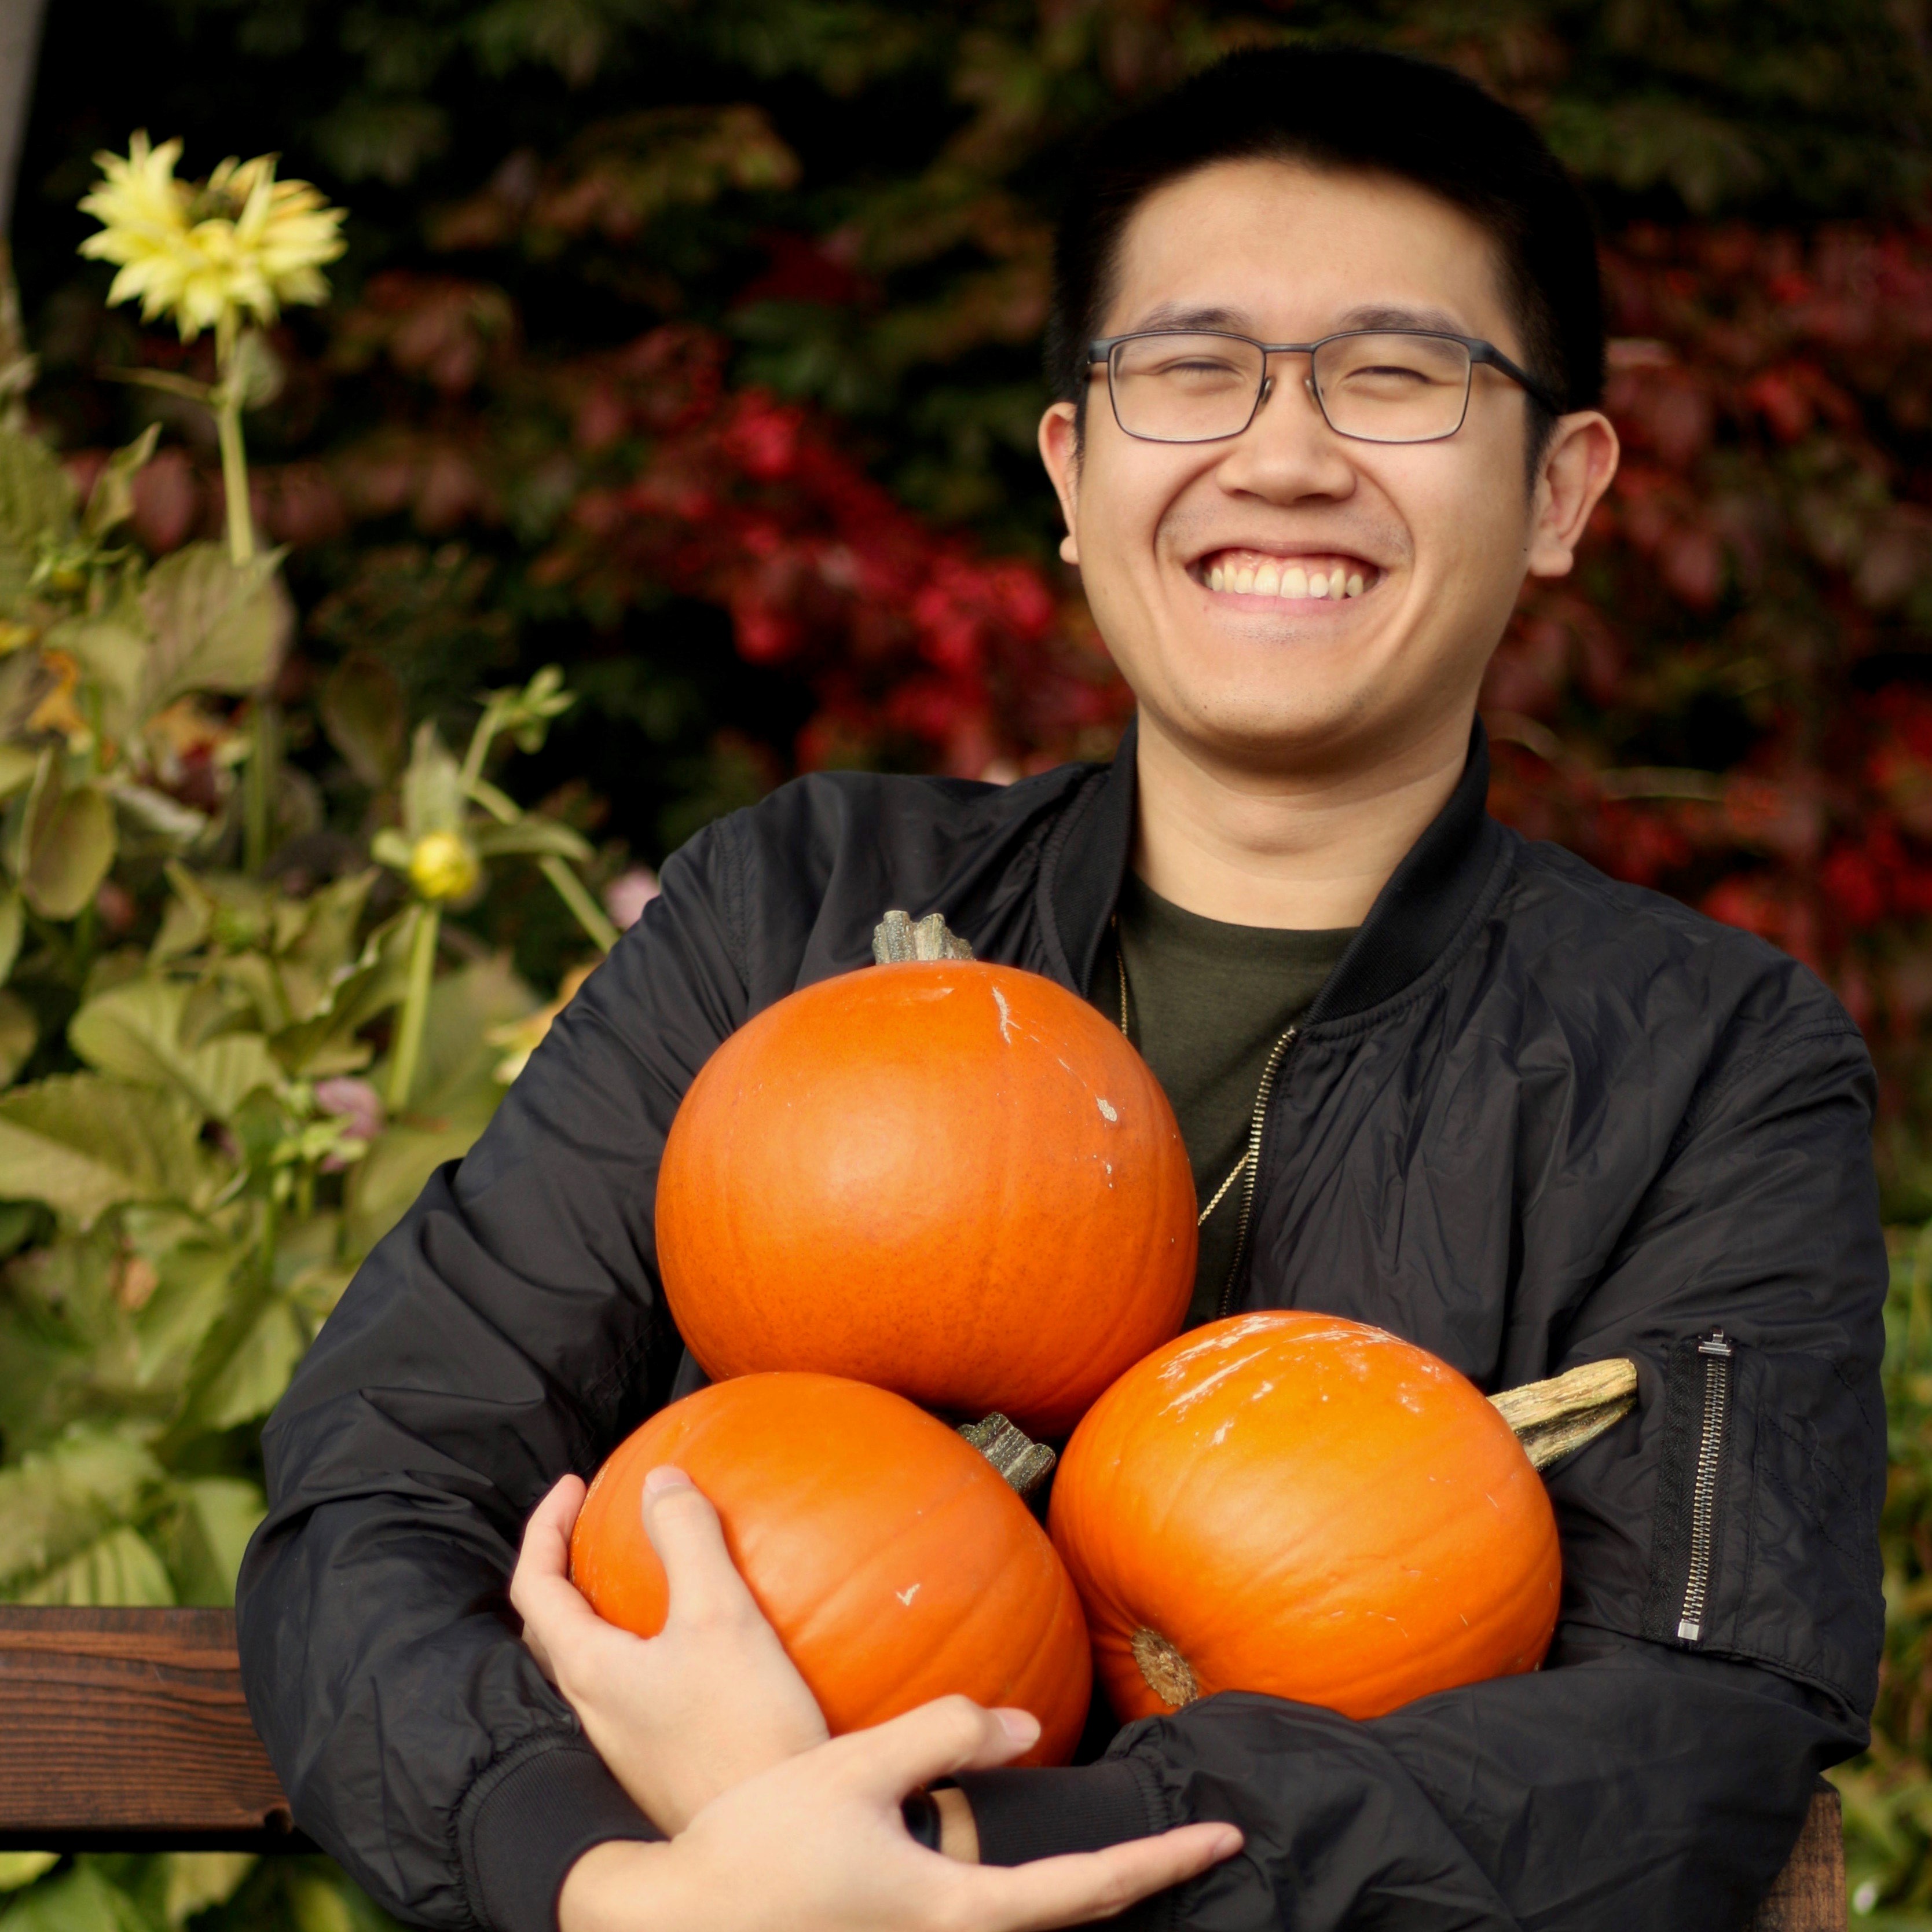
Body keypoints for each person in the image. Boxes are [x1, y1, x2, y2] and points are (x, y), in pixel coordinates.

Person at [237, 44, 1887, 1932]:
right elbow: (381, 1482)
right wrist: (612, 1886)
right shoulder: (795, 911)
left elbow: (1685, 1731)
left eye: (1397, 374)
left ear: (1558, 490)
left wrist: (932, 1867)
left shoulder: (1703, 1067)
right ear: (1072, 471)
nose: (1280, 452)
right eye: (1189, 369)